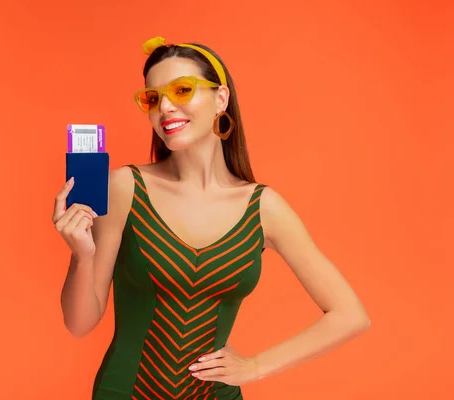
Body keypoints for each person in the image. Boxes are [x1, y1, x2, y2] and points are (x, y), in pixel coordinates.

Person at [53, 36, 370, 400]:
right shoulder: (125, 187)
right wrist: (83, 255)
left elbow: (350, 315)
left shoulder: (264, 208)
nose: (166, 107)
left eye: (182, 90)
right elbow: (79, 324)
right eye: (153, 98)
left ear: (221, 99)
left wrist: (255, 366)